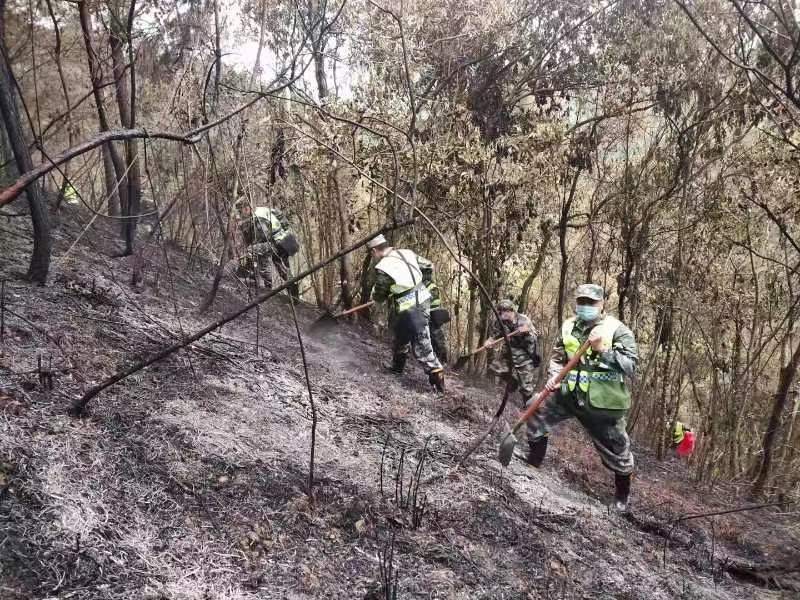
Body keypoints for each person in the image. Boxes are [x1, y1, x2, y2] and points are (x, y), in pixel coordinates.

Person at [527, 284, 638, 511]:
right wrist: (554, 376)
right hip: (568, 393)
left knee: (618, 448)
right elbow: (558, 355)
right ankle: (534, 461)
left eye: (591, 303)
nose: (586, 306)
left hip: (601, 402)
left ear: (602, 304)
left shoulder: (617, 330)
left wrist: (602, 350)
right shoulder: (568, 325)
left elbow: (630, 366)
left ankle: (622, 497)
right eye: (582, 302)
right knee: (535, 407)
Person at [368, 234, 445, 393]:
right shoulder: (406, 253)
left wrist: (378, 298)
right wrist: (418, 283)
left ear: (375, 250)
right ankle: (396, 368)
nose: (373, 257)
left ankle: (439, 386)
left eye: (372, 254)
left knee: (422, 345)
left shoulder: (384, 267)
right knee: (400, 335)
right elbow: (428, 266)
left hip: (413, 307)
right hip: (417, 301)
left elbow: (380, 293)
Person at [236, 200, 299, 296]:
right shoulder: (263, 210)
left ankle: (265, 286)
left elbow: (263, 237)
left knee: (254, 250)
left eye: (241, 212)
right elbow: (281, 217)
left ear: (247, 208)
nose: (241, 215)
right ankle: (294, 293)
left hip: (277, 243)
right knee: (282, 267)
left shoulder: (257, 219)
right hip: (286, 240)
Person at [487, 299, 541, 410]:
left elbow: (535, 336)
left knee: (526, 387)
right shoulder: (500, 322)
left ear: (510, 311)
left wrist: (526, 331)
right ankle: (512, 382)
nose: (502, 314)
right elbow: (495, 335)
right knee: (494, 368)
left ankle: (529, 409)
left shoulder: (523, 319)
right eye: (500, 312)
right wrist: (489, 342)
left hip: (525, 355)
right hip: (509, 353)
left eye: (504, 311)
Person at [427, 279, 450, 364]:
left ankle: (441, 360)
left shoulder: (429, 285)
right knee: (436, 337)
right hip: (430, 313)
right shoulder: (429, 284)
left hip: (432, 314)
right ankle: (441, 360)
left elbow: (435, 302)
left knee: (436, 338)